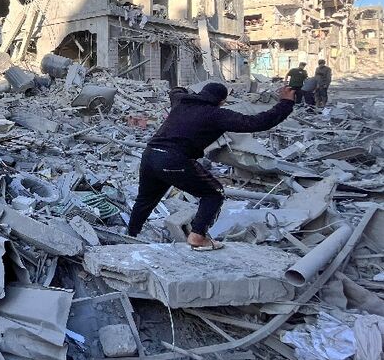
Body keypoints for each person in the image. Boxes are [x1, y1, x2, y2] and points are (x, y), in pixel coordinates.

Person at [126, 83, 296, 250]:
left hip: (150, 153)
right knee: (213, 193)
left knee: (145, 200)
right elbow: (256, 123)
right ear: (222, 101)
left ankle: (129, 237)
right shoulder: (216, 115)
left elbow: (175, 91)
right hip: (174, 158)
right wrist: (286, 103)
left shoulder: (181, 101)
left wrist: (184, 90)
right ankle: (197, 236)